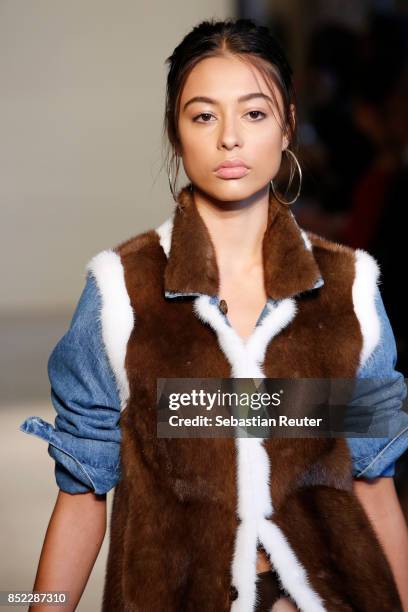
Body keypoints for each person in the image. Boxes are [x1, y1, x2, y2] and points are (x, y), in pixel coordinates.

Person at [19, 18, 408, 612]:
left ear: (287, 125)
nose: (230, 138)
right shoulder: (121, 293)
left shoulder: (349, 292)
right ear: (176, 132)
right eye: (204, 115)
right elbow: (82, 496)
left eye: (254, 113)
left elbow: (374, 488)